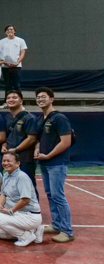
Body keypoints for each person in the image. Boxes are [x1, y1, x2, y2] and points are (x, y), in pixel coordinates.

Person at [34, 87, 74, 243]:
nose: (40, 99)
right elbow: (38, 140)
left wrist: (49, 155)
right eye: (38, 97)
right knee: (50, 194)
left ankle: (67, 230)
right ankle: (56, 224)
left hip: (57, 163)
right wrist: (38, 150)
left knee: (58, 195)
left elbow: (66, 142)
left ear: (51, 99)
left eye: (43, 97)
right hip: (44, 162)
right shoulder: (40, 119)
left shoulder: (59, 118)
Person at [0, 152, 44, 247]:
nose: (5, 163)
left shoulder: (22, 177)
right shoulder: (6, 175)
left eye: (8, 161)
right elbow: (3, 193)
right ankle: (35, 230)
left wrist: (11, 211)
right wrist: (0, 204)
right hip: (19, 214)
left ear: (18, 163)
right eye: (4, 161)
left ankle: (26, 236)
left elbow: (25, 200)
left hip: (29, 215)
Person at [3, 90, 38, 196]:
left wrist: (16, 150)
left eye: (14, 97)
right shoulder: (7, 117)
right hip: (11, 158)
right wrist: (4, 146)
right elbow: (6, 136)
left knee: (28, 184)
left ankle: (34, 210)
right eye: (8, 98)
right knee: (13, 185)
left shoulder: (29, 118)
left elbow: (31, 138)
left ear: (21, 101)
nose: (11, 100)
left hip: (25, 158)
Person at [0, 25, 27, 107]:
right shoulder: (2, 41)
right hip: (5, 66)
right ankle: (6, 102)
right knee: (7, 85)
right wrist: (5, 62)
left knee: (17, 85)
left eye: (11, 29)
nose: (10, 30)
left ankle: (20, 103)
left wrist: (17, 62)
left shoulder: (20, 40)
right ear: (5, 32)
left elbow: (23, 53)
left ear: (14, 31)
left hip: (16, 66)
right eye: (8, 29)